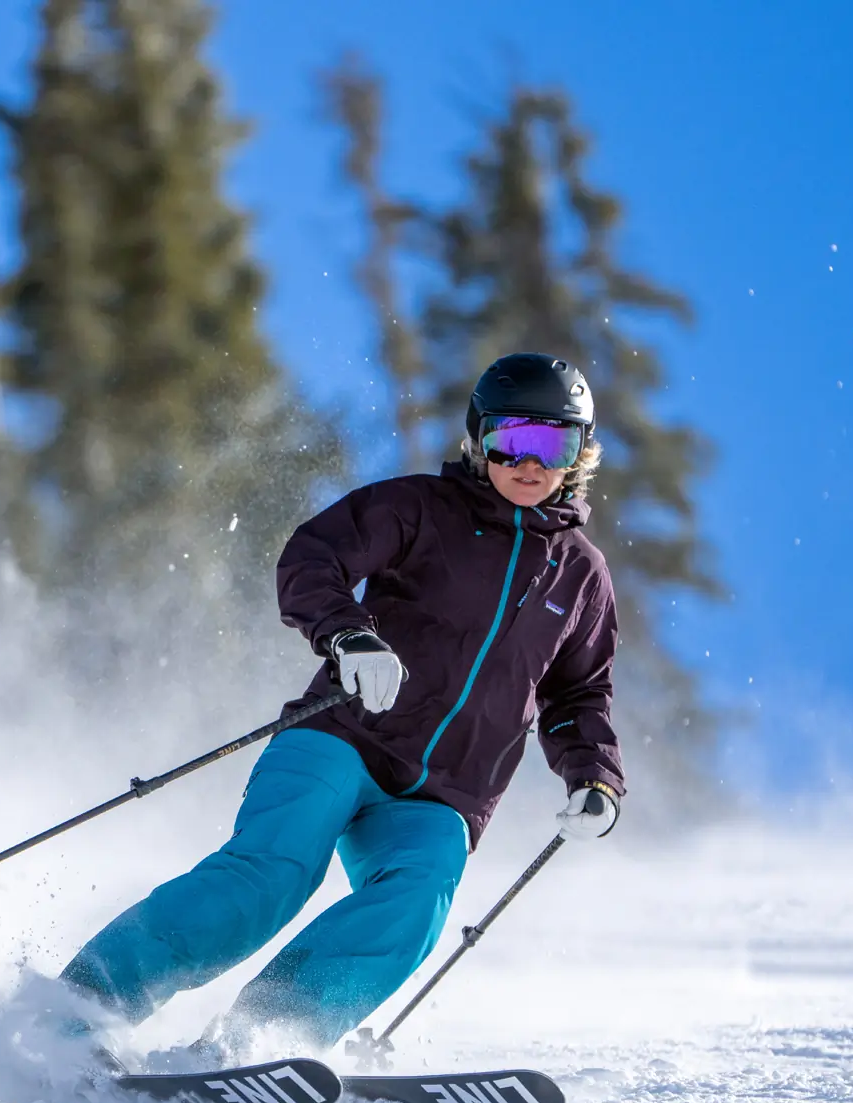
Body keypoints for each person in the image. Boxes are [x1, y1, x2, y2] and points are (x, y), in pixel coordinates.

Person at [61, 352, 626, 1059]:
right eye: (513, 437)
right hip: (342, 737)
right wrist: (349, 635)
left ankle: (257, 1043)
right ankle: (79, 1008)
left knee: (412, 908)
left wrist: (594, 776)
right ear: (479, 438)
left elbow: (579, 690)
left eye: (555, 443)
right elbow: (312, 557)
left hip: (446, 792)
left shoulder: (581, 575)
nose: (531, 461)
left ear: (580, 453)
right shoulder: (419, 508)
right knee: (269, 877)